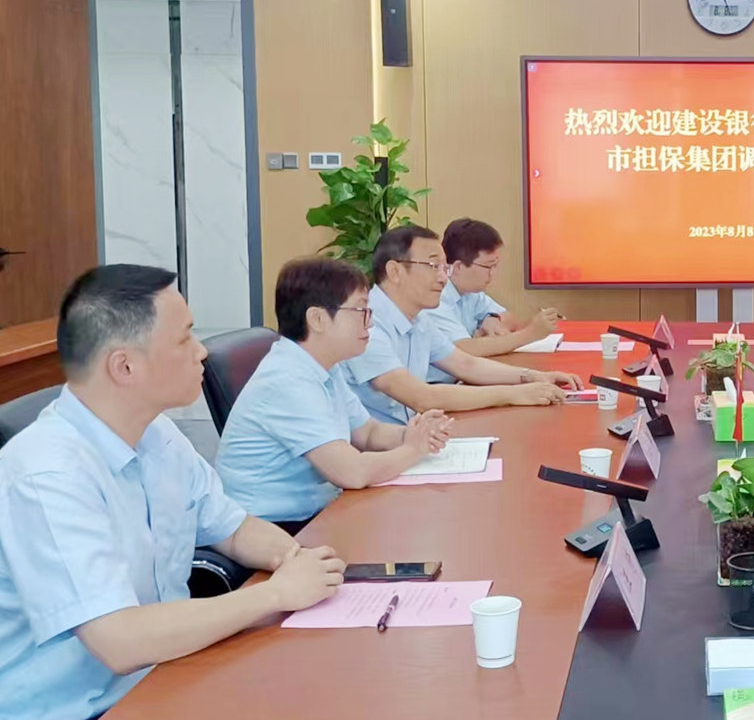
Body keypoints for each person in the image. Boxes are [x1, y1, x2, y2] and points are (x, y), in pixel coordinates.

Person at [0, 266, 344, 720]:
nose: (202, 352)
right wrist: (274, 595)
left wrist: (297, 559)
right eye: (184, 339)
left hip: (162, 680)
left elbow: (232, 528)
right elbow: (119, 641)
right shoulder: (48, 474)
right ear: (125, 366)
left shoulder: (156, 434)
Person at [216, 258, 456, 526]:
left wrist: (413, 433)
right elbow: (352, 473)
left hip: (317, 512)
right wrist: (413, 449)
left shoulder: (324, 365)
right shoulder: (287, 380)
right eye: (361, 311)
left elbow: (368, 433)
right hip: (274, 528)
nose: (370, 324)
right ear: (318, 319)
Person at [342, 225, 583, 425]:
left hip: (412, 436)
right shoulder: (367, 323)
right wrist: (513, 394)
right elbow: (421, 398)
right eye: (433, 267)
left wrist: (532, 376)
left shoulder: (418, 318)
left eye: (444, 268)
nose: (442, 277)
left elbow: (465, 364)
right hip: (372, 452)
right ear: (395, 271)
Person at [423, 217, 561, 362]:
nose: (494, 273)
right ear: (458, 267)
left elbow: (510, 318)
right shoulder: (435, 297)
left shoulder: (471, 292)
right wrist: (530, 334)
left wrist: (492, 319)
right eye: (488, 266)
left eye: (495, 265)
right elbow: (464, 350)